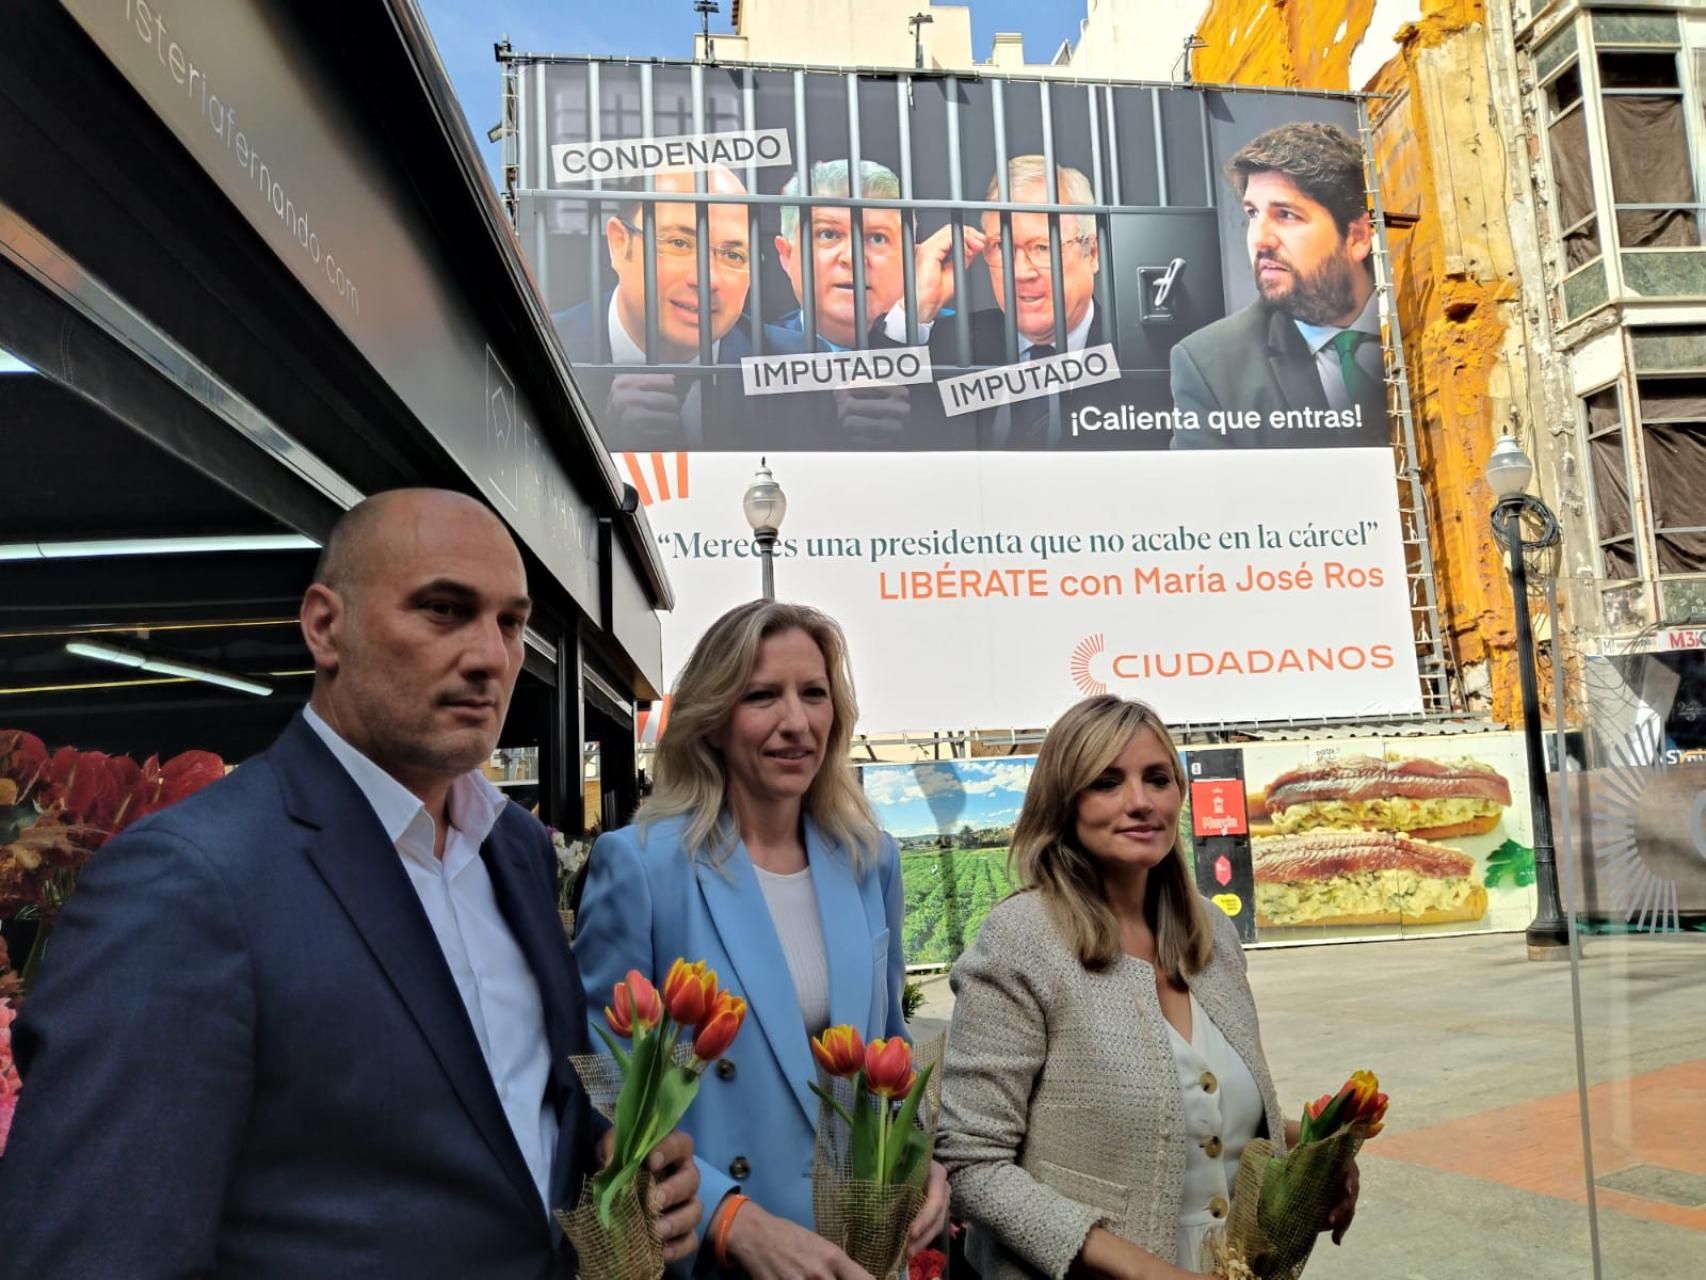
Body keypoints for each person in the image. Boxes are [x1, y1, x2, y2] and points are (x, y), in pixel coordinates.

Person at [0, 489, 701, 1278]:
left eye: (510, 621)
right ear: (324, 626)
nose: (491, 656)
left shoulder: (515, 850)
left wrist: (619, 1133)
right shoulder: (186, 882)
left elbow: (534, 1076)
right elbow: (98, 1250)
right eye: (443, 609)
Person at [574, 600, 949, 1278]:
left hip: (854, 1253)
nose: (796, 722)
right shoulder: (643, 865)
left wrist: (919, 1162)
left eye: (813, 694)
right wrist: (730, 1219)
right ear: (715, 719)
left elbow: (887, 1058)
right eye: (762, 696)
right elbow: (604, 1092)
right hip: (718, 1257)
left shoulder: (870, 861)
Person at [936, 695, 1357, 1278]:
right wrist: (1146, 1270)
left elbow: (1206, 1115)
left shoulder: (1211, 935)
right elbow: (970, 1165)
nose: (1140, 802)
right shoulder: (1022, 941)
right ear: (1065, 803)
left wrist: (1312, 1158)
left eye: (1157, 779)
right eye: (1107, 783)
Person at [552, 165, 811, 451]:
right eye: (679, 243)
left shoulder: (799, 367)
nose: (706, 278)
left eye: (733, 255)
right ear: (619, 244)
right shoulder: (540, 351)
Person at [1170, 122, 1388, 450]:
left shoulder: (1419, 316)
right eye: (1252, 213)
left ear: (1357, 236)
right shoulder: (1210, 365)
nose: (1260, 239)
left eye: (1286, 214)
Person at [773, 158, 981, 449]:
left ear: (912, 255)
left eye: (878, 238)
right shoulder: (751, 354)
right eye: (828, 234)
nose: (854, 257)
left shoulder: (973, 348)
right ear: (786, 255)